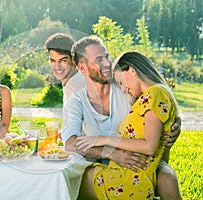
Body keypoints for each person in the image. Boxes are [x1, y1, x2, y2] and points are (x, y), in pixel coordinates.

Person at [61, 36, 181, 199]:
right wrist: (110, 153)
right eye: (99, 59)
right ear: (82, 67)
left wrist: (176, 125)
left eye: (107, 57)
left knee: (168, 179)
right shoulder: (76, 102)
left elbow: (159, 105)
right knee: (77, 182)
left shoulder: (127, 89)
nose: (106, 64)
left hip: (138, 160)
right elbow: (70, 144)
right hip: (97, 164)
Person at [44, 33, 86, 102]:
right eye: (53, 61)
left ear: (73, 59)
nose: (57, 66)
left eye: (63, 60)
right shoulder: (74, 81)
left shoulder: (74, 85)